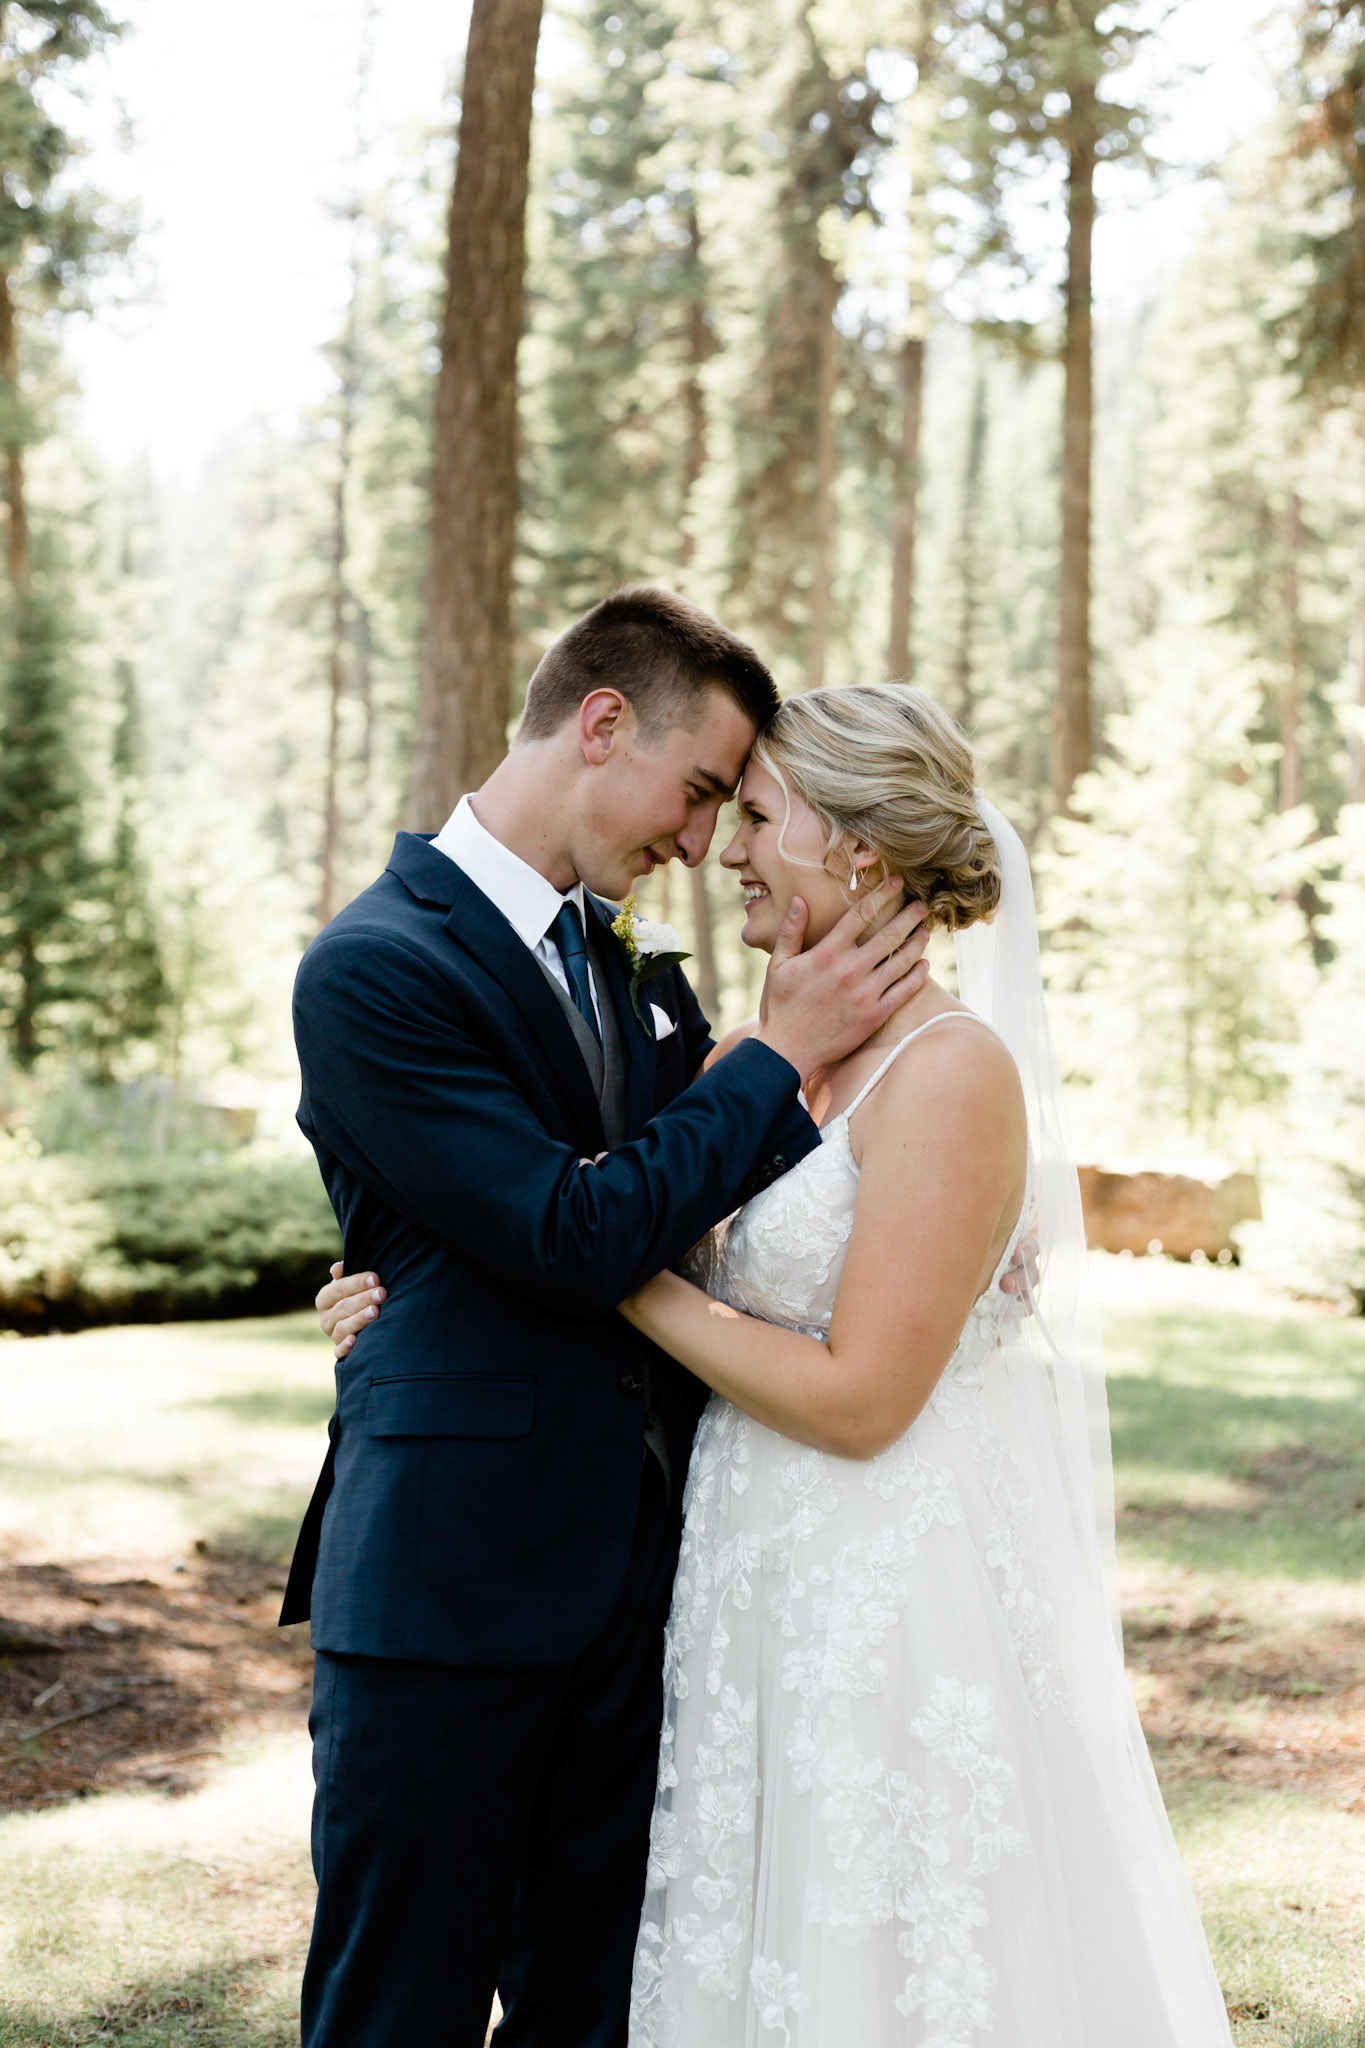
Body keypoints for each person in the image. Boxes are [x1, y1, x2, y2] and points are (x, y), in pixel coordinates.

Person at [323, 682, 1234, 2046]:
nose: (723, 849)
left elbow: (850, 1388)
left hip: (880, 1578)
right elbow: (594, 1183)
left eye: (752, 815)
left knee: (881, 1945)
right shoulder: (756, 1055)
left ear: (855, 849)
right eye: (718, 806)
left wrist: (597, 1267)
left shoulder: (950, 1070)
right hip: (733, 1573)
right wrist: (418, 1280)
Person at [283, 587, 931, 2048]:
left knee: (595, 2014)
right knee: (400, 2011)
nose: (701, 843)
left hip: (647, 1582)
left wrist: (943, 1205)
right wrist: (775, 1050)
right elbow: (570, 1233)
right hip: (447, 1585)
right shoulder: (374, 966)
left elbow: (704, 1196)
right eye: (698, 791)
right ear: (599, 725)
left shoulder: (627, 965)